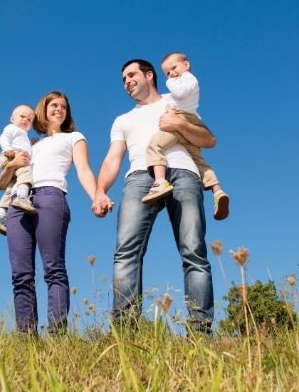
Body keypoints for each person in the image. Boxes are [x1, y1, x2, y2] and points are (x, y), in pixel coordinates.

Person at [92, 59, 216, 333]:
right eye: (123, 78)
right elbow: (114, 158)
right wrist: (100, 191)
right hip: (139, 177)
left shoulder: (177, 101)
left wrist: (178, 125)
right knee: (126, 252)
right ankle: (125, 332)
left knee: (194, 250)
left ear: (149, 75)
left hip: (183, 172)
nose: (126, 81)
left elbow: (208, 139)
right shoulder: (123, 120)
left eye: (131, 74)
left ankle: (200, 332)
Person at [5, 91, 97, 334]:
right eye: (53, 105)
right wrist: (13, 164)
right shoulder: (29, 144)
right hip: (18, 201)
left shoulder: (74, 138)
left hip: (50, 196)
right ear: (42, 110)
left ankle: (56, 335)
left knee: (53, 269)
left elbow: (84, 170)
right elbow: (2, 180)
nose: (59, 109)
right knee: (21, 275)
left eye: (64, 106)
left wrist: (97, 195)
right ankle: (26, 337)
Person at [142, 52, 230, 220]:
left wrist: (170, 81)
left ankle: (160, 182)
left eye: (173, 68)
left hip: (180, 118)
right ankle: (217, 191)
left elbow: (180, 92)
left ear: (186, 65)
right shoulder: (185, 81)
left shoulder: (189, 79)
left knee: (155, 145)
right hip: (189, 119)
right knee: (198, 161)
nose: (171, 74)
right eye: (167, 73)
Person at [0, 104, 37, 236]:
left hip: (14, 155)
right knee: (26, 171)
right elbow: (3, 137)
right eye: (22, 116)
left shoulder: (24, 136)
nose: (25, 120)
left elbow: (23, 145)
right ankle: (22, 198)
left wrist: (31, 144)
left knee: (11, 188)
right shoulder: (12, 128)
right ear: (12, 118)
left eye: (29, 120)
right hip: (12, 154)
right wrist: (7, 149)